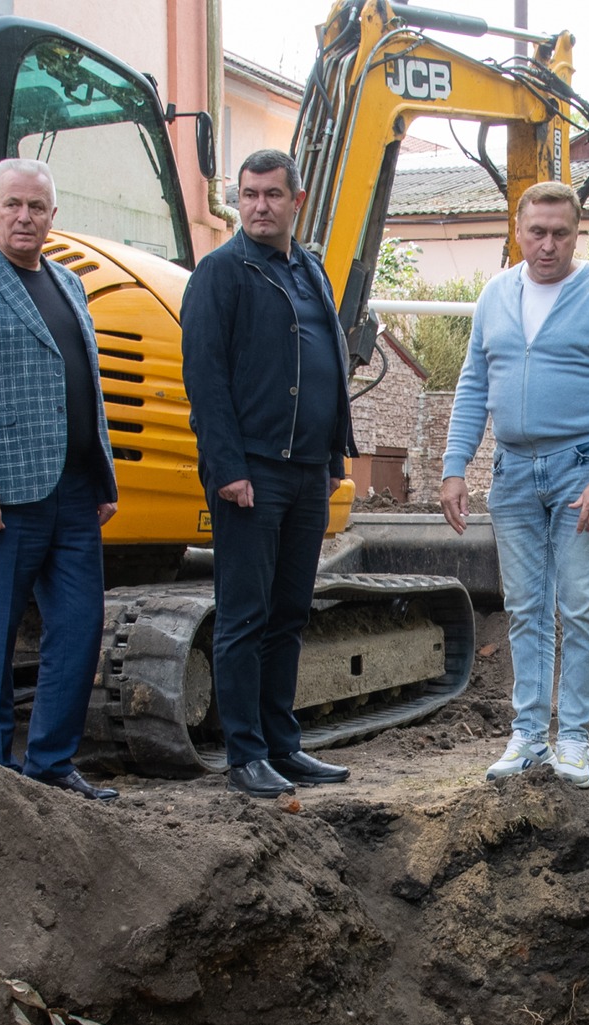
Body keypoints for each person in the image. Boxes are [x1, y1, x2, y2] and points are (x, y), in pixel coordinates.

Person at [0, 158, 120, 802]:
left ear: (53, 217)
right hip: (3, 497)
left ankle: (52, 765)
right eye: (13, 205)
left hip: (73, 493)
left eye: (36, 207)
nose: (24, 217)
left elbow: (85, 388)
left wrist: (102, 477)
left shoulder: (69, 284)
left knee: (80, 627)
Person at [440, 180, 589, 790]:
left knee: (580, 605)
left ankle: (574, 739)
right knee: (526, 607)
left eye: (560, 233)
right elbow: (473, 385)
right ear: (518, 230)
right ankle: (529, 733)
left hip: (581, 469)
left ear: (576, 234)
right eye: (537, 232)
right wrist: (456, 466)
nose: (548, 244)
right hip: (512, 475)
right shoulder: (495, 297)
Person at [179, 148, 355, 799]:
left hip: (307, 474)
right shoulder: (221, 275)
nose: (259, 205)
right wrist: (226, 466)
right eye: (249, 194)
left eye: (272, 194)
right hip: (251, 474)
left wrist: (335, 456)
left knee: (289, 613)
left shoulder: (311, 272)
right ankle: (245, 753)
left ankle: (283, 743)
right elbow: (205, 379)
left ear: (296, 201)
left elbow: (329, 366)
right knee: (244, 616)